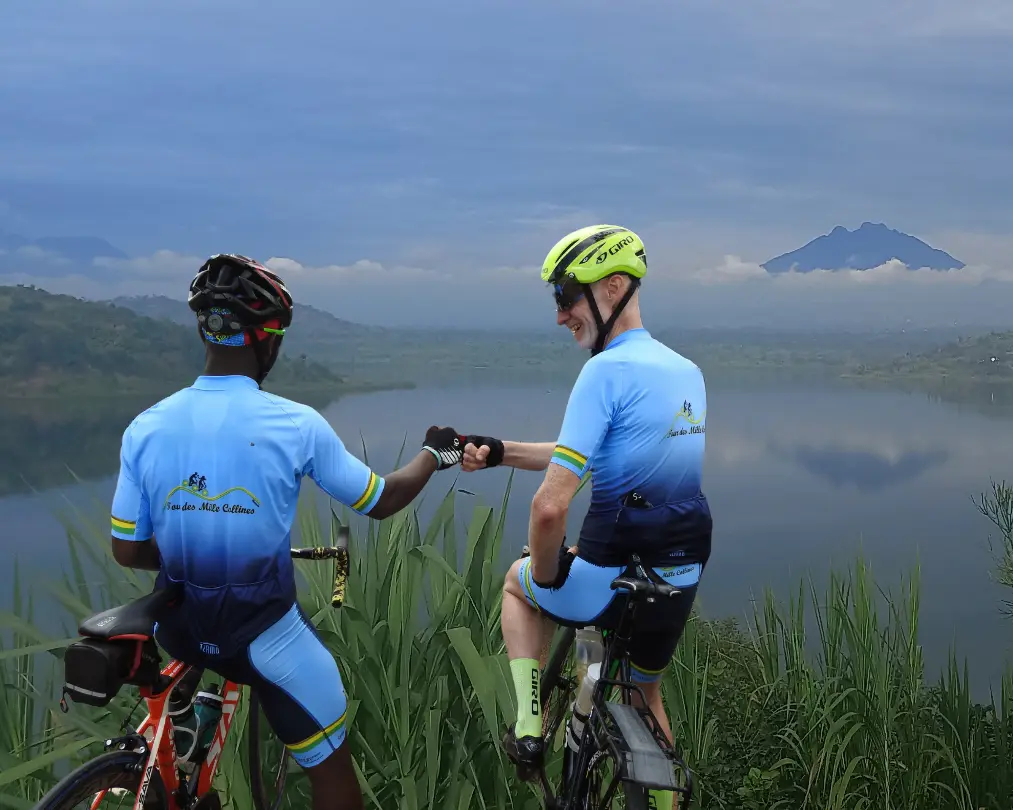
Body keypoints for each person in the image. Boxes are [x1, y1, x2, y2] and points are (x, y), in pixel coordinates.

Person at [106, 254, 465, 810]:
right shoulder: (296, 424)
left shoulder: (145, 426)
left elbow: (127, 549)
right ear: (268, 340)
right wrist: (433, 455)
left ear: (206, 331)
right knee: (331, 770)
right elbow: (380, 499)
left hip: (178, 626)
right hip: (263, 638)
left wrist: (189, 556)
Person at [445, 225, 709, 810]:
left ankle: (531, 726)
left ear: (613, 287)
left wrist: (544, 574)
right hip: (679, 575)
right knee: (645, 689)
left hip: (610, 575)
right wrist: (501, 451)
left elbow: (550, 506)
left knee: (519, 587)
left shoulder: (604, 372)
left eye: (566, 295)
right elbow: (595, 454)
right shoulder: (685, 372)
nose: (560, 313)